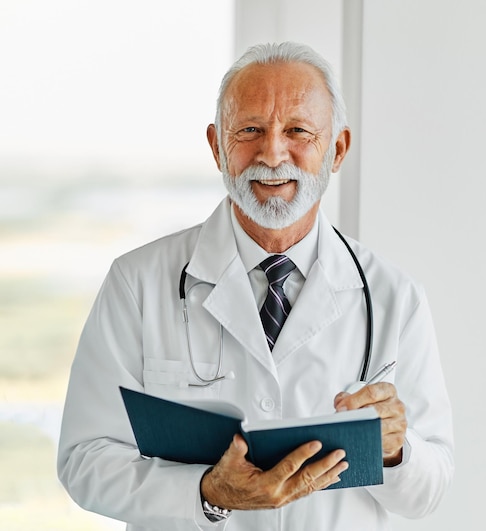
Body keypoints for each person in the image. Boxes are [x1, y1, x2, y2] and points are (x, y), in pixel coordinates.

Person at [57, 42, 454, 531]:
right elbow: (84, 460)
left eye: (298, 131)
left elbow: (430, 489)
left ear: (338, 150)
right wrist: (206, 494)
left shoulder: (394, 297)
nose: (271, 154)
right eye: (249, 130)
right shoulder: (137, 283)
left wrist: (396, 452)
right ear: (216, 146)